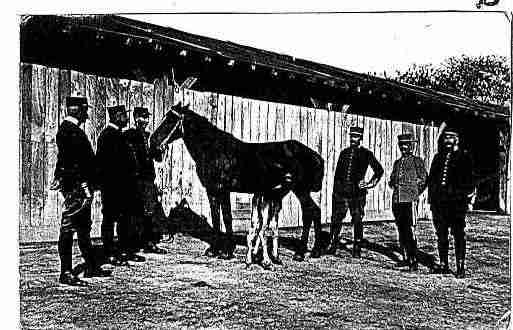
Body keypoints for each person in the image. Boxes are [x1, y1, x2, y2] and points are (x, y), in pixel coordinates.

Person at [52, 96, 111, 286]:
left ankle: (91, 266)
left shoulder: (71, 130)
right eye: (85, 109)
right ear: (77, 110)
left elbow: (63, 160)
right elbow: (72, 163)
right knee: (69, 227)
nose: (87, 113)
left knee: (84, 227)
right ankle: (66, 272)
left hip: (80, 186)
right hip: (77, 187)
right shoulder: (70, 131)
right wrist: (85, 186)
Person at [96, 105, 145, 265]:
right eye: (123, 115)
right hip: (112, 187)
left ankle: (125, 251)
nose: (126, 118)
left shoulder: (120, 135)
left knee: (125, 220)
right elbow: (104, 165)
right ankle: (109, 252)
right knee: (110, 219)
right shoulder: (107, 135)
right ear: (116, 116)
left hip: (126, 187)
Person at [327, 126, 384, 258]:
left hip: (357, 194)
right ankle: (333, 244)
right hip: (341, 194)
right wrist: (335, 192)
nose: (353, 139)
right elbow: (337, 175)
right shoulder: (344, 153)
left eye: (356, 137)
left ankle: (357, 247)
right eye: (352, 136)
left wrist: (369, 184)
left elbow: (379, 170)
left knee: (357, 219)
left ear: (360, 138)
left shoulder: (366, 154)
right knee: (336, 219)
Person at [427, 127, 474, 278]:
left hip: (456, 204)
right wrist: (432, 200)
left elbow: (469, 181)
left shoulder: (464, 157)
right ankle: (443, 264)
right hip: (439, 204)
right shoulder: (438, 157)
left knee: (458, 234)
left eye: (451, 137)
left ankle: (460, 266)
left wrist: (466, 199)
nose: (447, 140)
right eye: (445, 137)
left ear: (457, 139)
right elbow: (432, 181)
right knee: (441, 234)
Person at [124, 107, 167, 254]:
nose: (145, 121)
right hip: (134, 180)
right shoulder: (128, 135)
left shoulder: (150, 136)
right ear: (135, 118)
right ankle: (132, 244)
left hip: (148, 180)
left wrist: (160, 150)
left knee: (149, 212)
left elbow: (157, 158)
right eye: (142, 117)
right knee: (134, 213)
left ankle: (149, 242)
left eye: (146, 118)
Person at [389, 133, 427, 271]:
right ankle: (405, 258)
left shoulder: (417, 161)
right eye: (401, 145)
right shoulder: (397, 163)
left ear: (411, 146)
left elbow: (423, 179)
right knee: (401, 229)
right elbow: (392, 179)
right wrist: (393, 182)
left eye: (406, 145)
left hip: (409, 200)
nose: (404, 147)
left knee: (410, 229)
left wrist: (414, 192)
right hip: (397, 200)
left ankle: (413, 259)